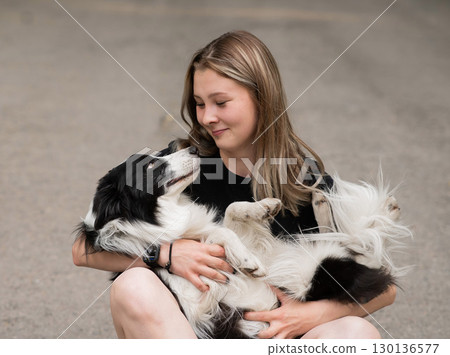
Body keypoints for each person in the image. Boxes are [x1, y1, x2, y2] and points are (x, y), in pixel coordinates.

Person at [72, 30, 396, 339]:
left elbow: (385, 289)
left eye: (221, 102)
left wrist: (313, 315)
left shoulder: (307, 186)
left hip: (271, 334)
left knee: (359, 333)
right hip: (192, 333)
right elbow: (84, 249)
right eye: (199, 103)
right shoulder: (180, 166)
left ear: (261, 99)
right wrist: (164, 253)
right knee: (132, 285)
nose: (207, 117)